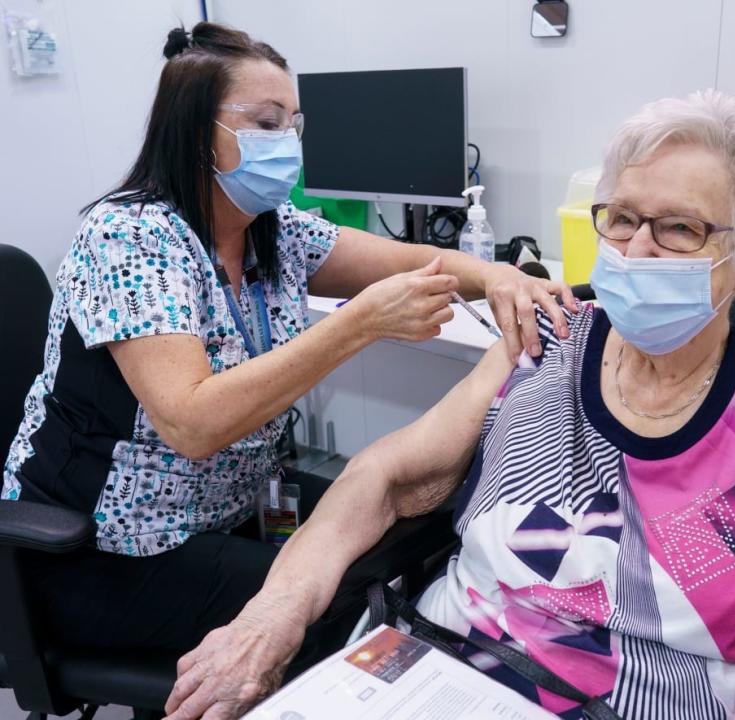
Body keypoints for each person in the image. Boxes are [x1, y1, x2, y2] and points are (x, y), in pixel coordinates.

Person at [163, 90, 735, 720]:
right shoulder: (547, 340)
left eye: (678, 229)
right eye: (620, 218)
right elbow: (390, 478)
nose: (634, 249)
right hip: (432, 673)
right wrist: (271, 618)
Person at [0, 21, 576, 677]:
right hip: (108, 548)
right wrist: (357, 326)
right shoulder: (129, 239)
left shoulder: (271, 230)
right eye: (266, 124)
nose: (287, 146)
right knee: (325, 607)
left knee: (398, 537)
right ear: (194, 132)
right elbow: (192, 422)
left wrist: (501, 276)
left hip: (235, 503)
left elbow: (416, 258)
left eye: (293, 125)